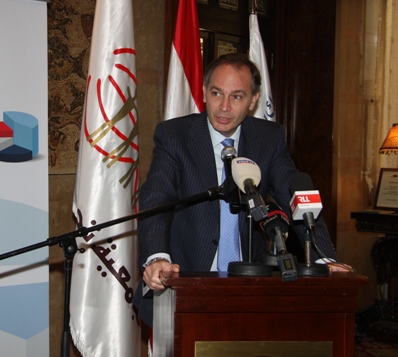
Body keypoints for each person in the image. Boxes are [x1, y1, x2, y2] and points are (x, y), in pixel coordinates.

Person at [132, 53, 346, 327]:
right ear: (204, 92)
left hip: (248, 284)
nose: (224, 107)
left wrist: (324, 257)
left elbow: (297, 200)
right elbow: (156, 200)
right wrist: (157, 257)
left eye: (236, 97)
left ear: (253, 101)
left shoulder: (268, 139)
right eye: (216, 93)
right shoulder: (175, 135)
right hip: (184, 280)